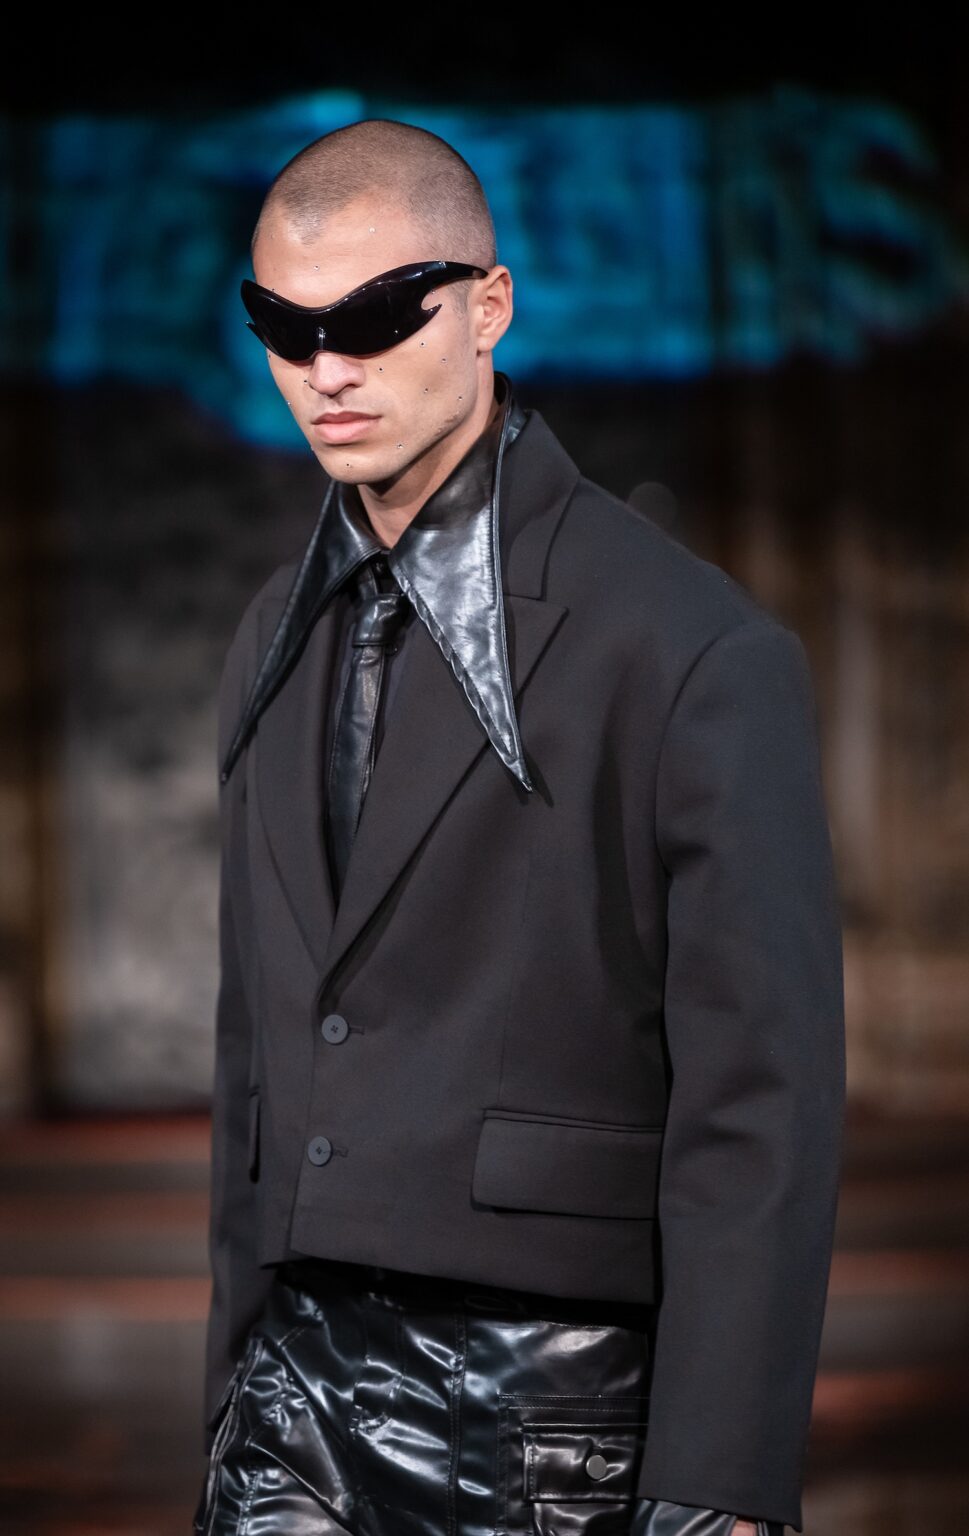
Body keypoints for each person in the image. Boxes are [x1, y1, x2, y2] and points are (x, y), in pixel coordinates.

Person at [194, 118, 845, 1536]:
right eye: (284, 327)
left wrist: (718, 1485)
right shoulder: (270, 638)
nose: (328, 370)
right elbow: (261, 1040)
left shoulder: (685, 649)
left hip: (553, 1416)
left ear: (488, 307)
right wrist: (229, 1388)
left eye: (374, 316)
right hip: (287, 1404)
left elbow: (759, 1098)